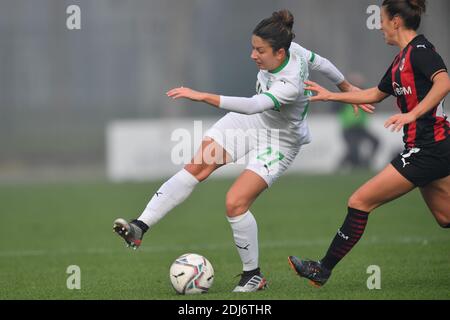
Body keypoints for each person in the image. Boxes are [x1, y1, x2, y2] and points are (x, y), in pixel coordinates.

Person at [113, 9, 371, 292]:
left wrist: (202, 96)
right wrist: (346, 86)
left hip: (279, 141)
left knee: (235, 202)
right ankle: (140, 226)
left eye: (260, 50)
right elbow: (322, 62)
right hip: (249, 124)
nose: (253, 55)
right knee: (196, 167)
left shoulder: (291, 83)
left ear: (280, 53)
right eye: (253, 47)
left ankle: (253, 274)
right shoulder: (293, 49)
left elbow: (253, 104)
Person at [288, 0, 450, 288]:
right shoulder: (401, 60)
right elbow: (375, 94)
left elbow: (444, 82)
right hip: (431, 149)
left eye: (383, 20)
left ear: (397, 21)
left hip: (428, 148)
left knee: (359, 201)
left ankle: (322, 269)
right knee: (444, 217)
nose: (380, 27)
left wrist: (412, 113)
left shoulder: (421, 52)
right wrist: (330, 96)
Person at [335, 74, 380, 172]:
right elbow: (334, 107)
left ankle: (365, 162)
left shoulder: (364, 94)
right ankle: (348, 165)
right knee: (353, 149)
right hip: (348, 128)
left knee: (376, 142)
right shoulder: (344, 95)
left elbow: (374, 102)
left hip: (360, 127)